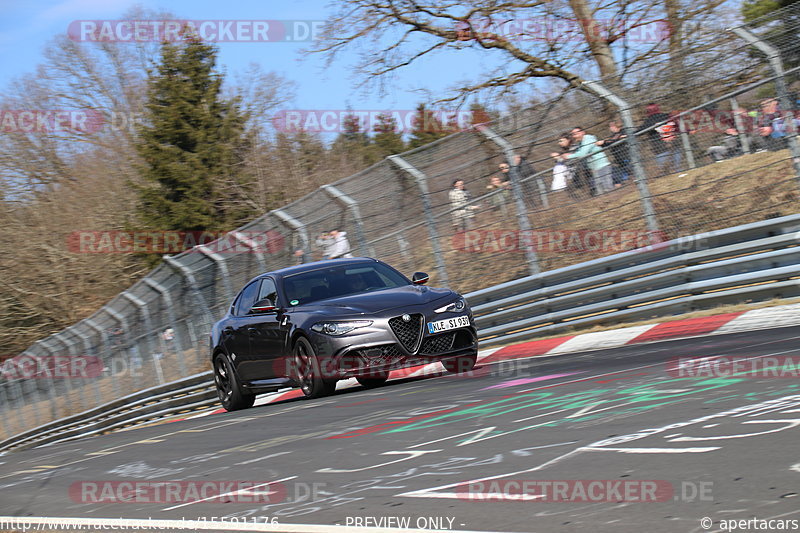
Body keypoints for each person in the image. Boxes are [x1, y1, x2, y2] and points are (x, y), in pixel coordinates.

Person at [552, 126, 614, 196]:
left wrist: (568, 156)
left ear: (583, 133)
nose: (574, 136)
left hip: (602, 165)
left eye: (576, 133)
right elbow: (576, 155)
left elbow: (582, 153)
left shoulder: (588, 139)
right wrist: (561, 157)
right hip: (594, 168)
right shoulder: (580, 143)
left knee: (608, 189)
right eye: (573, 134)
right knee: (600, 191)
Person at [639, 103, 682, 175]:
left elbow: (640, 131)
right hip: (673, 142)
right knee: (677, 168)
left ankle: (667, 175)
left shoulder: (649, 121)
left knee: (664, 170)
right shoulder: (666, 116)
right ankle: (679, 173)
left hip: (660, 147)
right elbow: (677, 124)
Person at [596, 120, 631, 186]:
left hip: (625, 155)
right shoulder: (614, 135)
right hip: (618, 157)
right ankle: (626, 180)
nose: (610, 128)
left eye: (612, 126)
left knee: (628, 167)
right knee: (623, 169)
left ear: (616, 126)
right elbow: (610, 141)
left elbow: (613, 140)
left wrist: (604, 142)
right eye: (610, 126)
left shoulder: (623, 131)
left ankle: (630, 179)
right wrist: (602, 144)